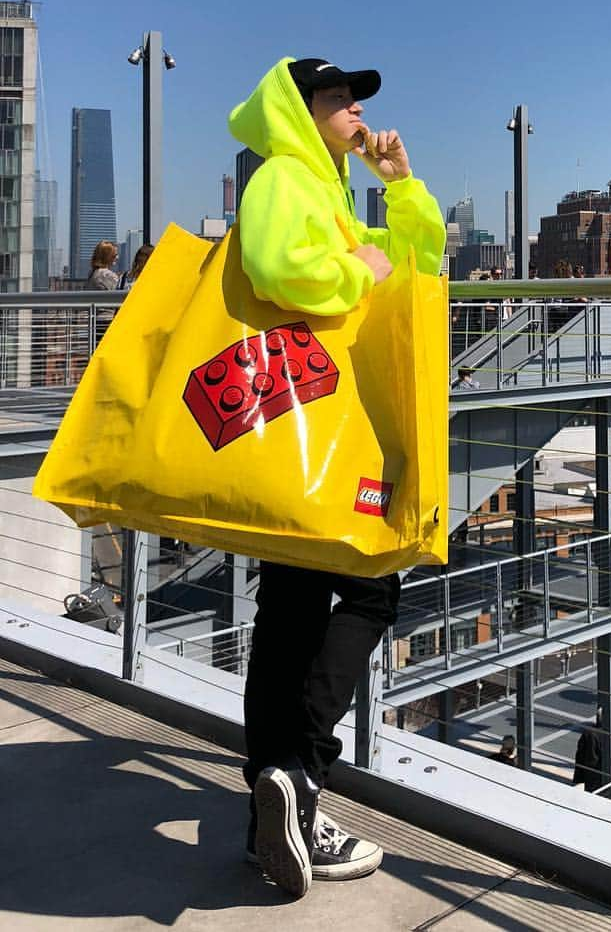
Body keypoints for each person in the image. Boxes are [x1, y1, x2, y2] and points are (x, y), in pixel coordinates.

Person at [228, 56, 445, 899]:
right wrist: (360, 271)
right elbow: (287, 271)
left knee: (287, 611)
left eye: (355, 99)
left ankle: (269, 811)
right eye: (336, 98)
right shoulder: (285, 177)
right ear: (297, 108)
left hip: (314, 416)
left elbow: (416, 261)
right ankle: (299, 776)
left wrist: (397, 183)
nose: (354, 109)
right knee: (372, 590)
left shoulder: (328, 187)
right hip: (310, 417)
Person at [572, 714, 605, 793]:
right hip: (602, 773)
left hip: (590, 772)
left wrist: (579, 776)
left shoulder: (589, 733)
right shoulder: (609, 735)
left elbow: (580, 754)